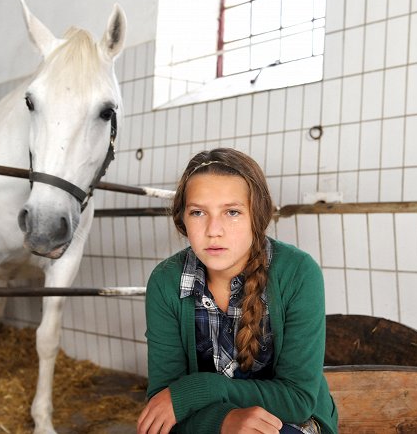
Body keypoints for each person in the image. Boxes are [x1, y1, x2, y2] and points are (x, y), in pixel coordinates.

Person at [136, 148, 338, 434]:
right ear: (182, 220)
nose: (213, 230)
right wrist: (223, 422)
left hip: (290, 423)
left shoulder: (298, 272)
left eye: (232, 212)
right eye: (198, 212)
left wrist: (201, 389)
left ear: (256, 216)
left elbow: (297, 400)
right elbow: (163, 405)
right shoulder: (166, 282)